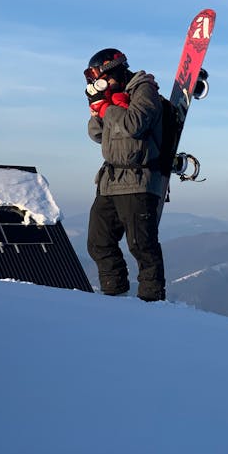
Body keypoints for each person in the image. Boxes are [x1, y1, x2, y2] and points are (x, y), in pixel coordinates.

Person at [84, 48, 166, 302]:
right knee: (98, 242)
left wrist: (107, 108)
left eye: (102, 79)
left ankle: (152, 302)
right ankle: (114, 295)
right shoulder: (113, 97)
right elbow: (97, 135)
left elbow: (133, 124)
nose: (100, 84)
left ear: (116, 71)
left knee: (142, 246)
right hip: (110, 181)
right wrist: (98, 109)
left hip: (137, 179)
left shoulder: (144, 89)